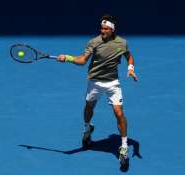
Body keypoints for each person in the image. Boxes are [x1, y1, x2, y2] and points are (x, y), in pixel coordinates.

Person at [57, 14, 138, 161]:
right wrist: (67, 58)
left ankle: (124, 147)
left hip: (113, 83)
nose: (102, 31)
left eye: (106, 28)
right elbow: (82, 61)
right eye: (101, 28)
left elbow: (129, 56)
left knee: (119, 113)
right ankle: (87, 128)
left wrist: (131, 68)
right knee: (89, 108)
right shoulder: (94, 42)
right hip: (94, 82)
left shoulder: (122, 43)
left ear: (112, 29)